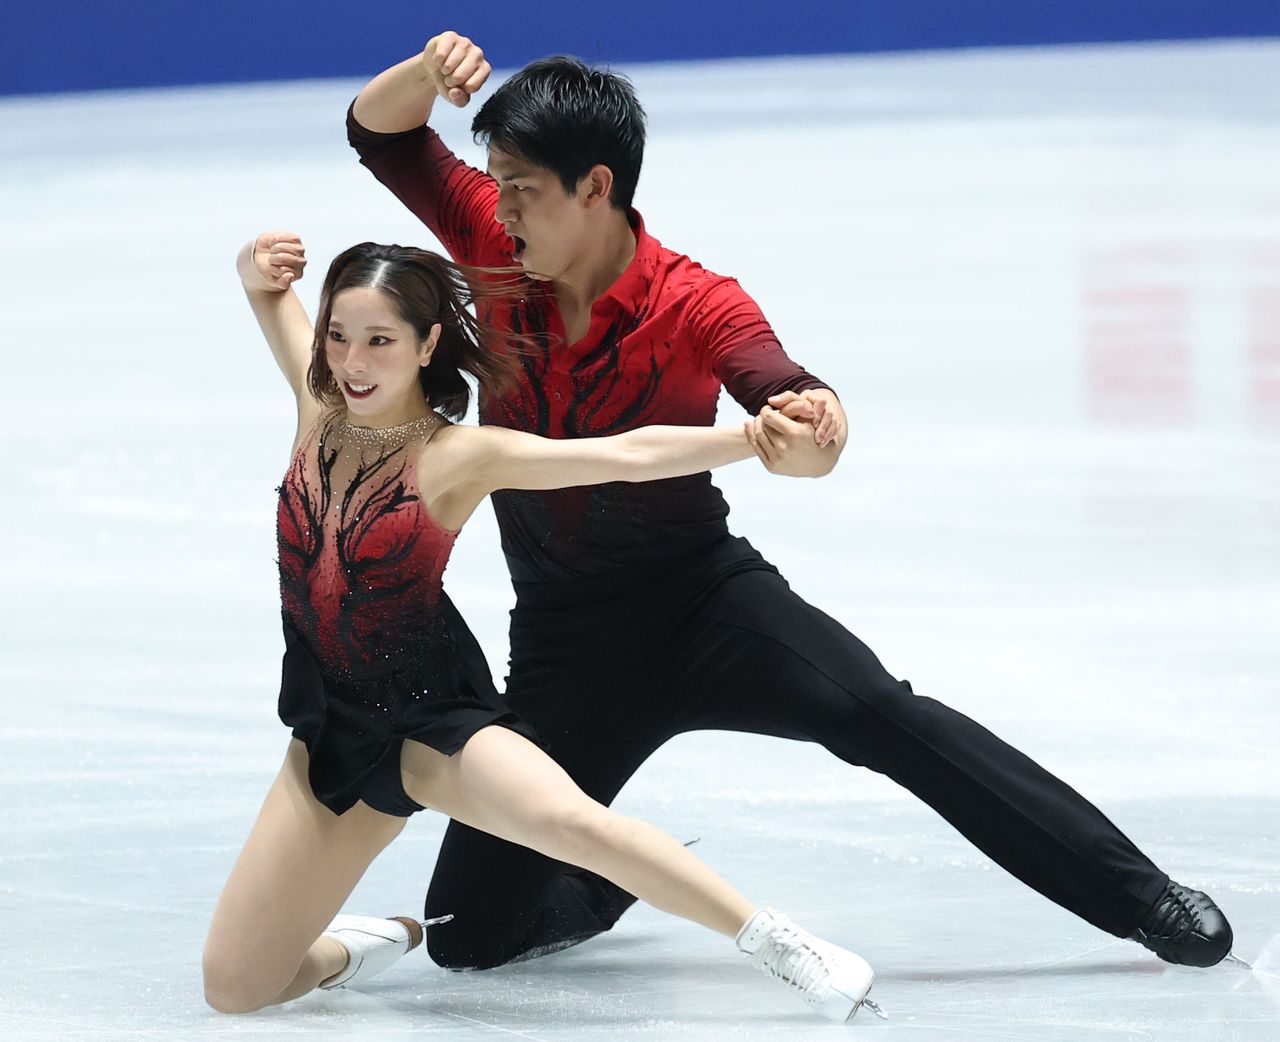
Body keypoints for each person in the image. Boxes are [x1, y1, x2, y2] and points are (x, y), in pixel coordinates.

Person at [339, 29, 1237, 975]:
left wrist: (812, 434)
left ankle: (1140, 895)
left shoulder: (699, 303)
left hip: (708, 607)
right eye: (496, 181)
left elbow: (788, 405)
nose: (501, 204)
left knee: (888, 717)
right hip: (566, 647)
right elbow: (379, 133)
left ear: (595, 188)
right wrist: (428, 75)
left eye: (522, 186)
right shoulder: (493, 239)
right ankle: (610, 882)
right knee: (467, 937)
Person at [201, 231, 887, 1023]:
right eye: (339, 336)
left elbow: (626, 455)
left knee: (571, 823)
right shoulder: (317, 406)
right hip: (327, 733)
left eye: (380, 341)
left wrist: (750, 436)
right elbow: (266, 297)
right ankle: (358, 947)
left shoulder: (461, 455)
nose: (353, 362)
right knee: (237, 988)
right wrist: (253, 269)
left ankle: (779, 944)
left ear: (427, 344)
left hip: (431, 722)